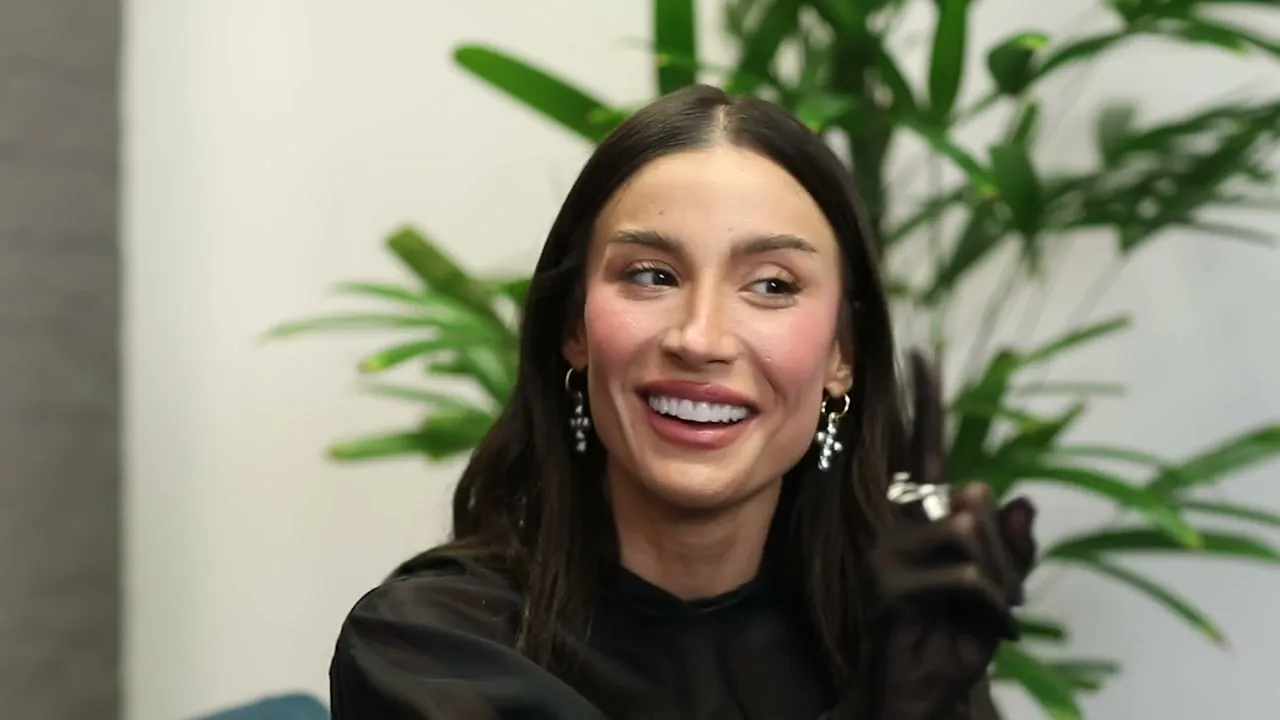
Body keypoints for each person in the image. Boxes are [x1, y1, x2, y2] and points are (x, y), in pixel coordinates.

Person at [329, 84, 1037, 719]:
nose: (700, 339)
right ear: (575, 329)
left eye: (772, 285)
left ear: (841, 355)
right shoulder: (424, 645)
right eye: (651, 275)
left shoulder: (898, 646)